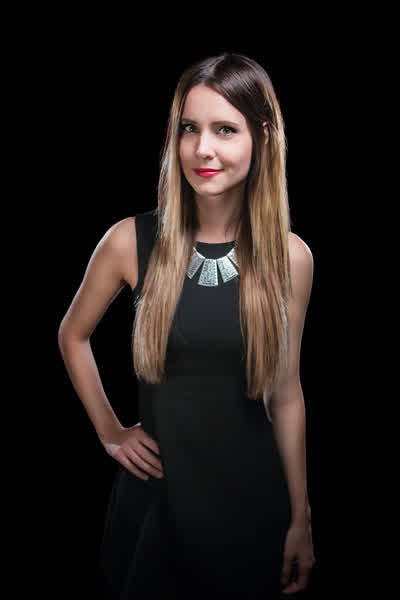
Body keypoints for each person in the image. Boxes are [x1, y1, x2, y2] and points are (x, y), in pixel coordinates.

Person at [58, 51, 316, 598]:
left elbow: (286, 393)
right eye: (189, 129)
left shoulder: (290, 258)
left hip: (252, 506)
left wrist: (301, 517)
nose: (203, 149)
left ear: (262, 138)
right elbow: (72, 335)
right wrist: (110, 431)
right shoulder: (129, 241)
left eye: (225, 130)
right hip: (159, 504)